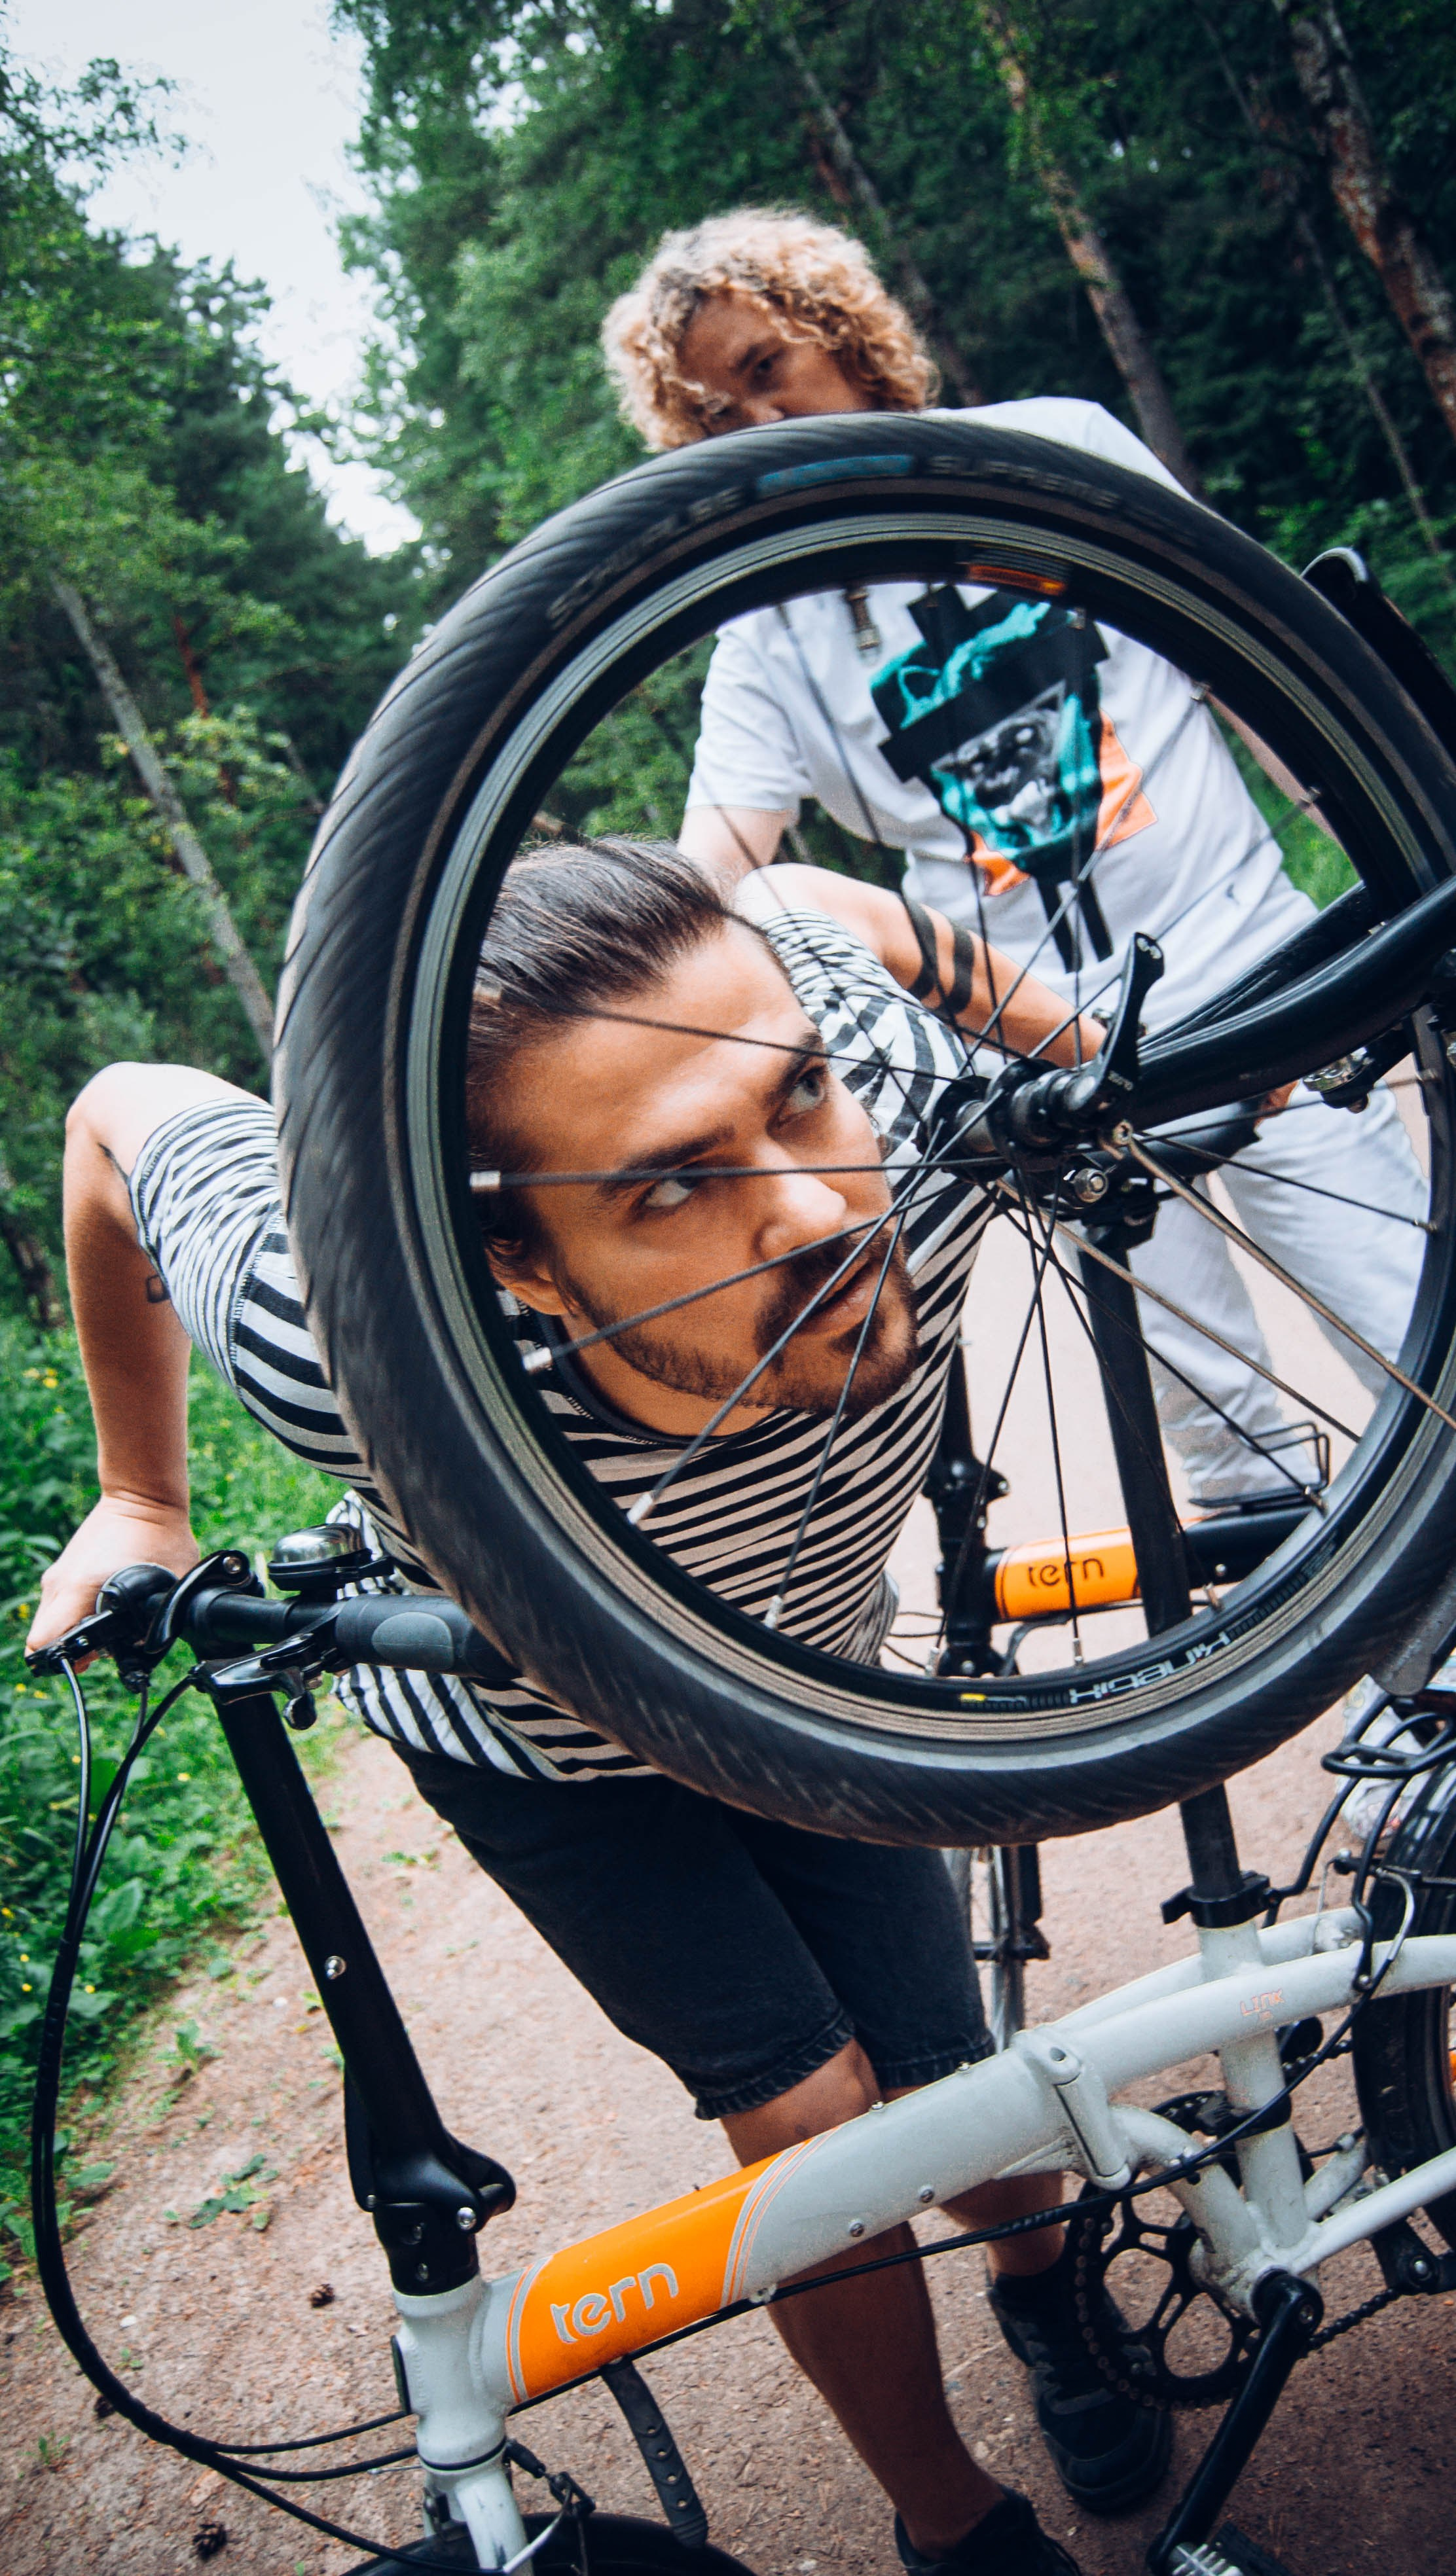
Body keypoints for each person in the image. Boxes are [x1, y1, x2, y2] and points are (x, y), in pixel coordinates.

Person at [31, 842, 1160, 2576]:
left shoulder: (909, 1136)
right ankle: (951, 2518)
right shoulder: (348, 1327)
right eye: (668, 1189)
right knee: (807, 2115)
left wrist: (1060, 1030)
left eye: (796, 1096)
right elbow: (118, 1113)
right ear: (520, 1264)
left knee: (956, 2079)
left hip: (805, 1688)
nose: (809, 1207)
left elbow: (813, 912)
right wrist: (142, 1501)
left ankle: (1044, 2296)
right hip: (553, 1752)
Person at [603, 208, 1430, 1517]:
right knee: (1209, 1425)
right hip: (1045, 1051)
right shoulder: (770, 633)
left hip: (1249, 960)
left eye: (765, 371)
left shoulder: (1056, 451)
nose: (756, 425)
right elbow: (712, 870)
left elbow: (1262, 680)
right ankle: (1405, 1674)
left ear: (837, 330)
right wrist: (590, 1032)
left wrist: (1403, 889)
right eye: (713, 414)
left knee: (1405, 1322)